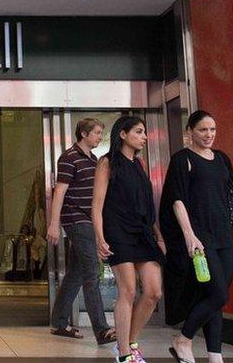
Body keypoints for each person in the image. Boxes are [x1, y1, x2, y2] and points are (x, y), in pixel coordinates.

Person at [160, 111, 233, 363]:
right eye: (203, 130)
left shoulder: (221, 159)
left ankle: (215, 355)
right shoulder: (182, 160)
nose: (209, 135)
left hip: (224, 236)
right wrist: (189, 235)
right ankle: (183, 339)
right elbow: (177, 201)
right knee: (218, 293)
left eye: (213, 130)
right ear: (190, 131)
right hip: (201, 237)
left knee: (215, 298)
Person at [92, 115, 166, 363]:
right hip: (118, 231)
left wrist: (158, 235)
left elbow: (147, 204)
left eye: (145, 132)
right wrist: (100, 237)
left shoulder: (139, 165)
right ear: (122, 134)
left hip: (143, 232)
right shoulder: (107, 162)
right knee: (128, 290)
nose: (144, 137)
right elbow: (97, 204)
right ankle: (124, 354)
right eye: (139, 132)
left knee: (154, 291)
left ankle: (129, 341)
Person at [48, 117, 116, 346]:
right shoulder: (69, 158)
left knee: (76, 274)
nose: (99, 137)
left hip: (89, 220)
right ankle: (102, 329)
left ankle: (59, 322)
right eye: (97, 133)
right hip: (77, 221)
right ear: (84, 134)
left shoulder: (94, 159)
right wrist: (53, 224)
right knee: (92, 273)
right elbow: (60, 192)